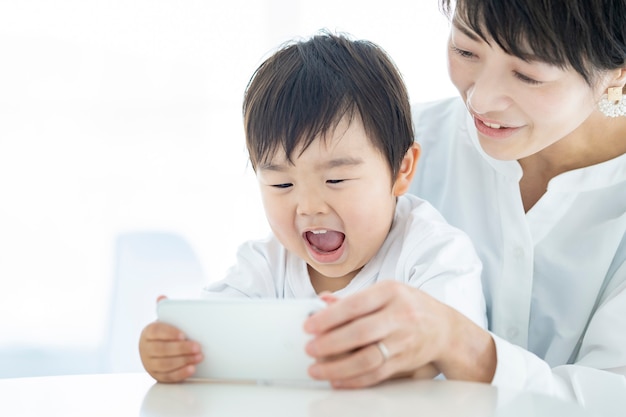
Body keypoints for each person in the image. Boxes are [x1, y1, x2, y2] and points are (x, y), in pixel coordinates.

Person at [302, 0, 626, 413]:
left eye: (528, 75)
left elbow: (612, 399)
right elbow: (281, 293)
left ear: (618, 74)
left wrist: (463, 346)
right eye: (465, 50)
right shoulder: (389, 153)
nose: (482, 99)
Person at [138, 32, 487, 383]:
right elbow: (212, 336)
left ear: (401, 169)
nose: (309, 207)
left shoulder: (434, 253)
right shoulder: (265, 265)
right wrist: (174, 350)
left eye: (335, 180)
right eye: (282, 185)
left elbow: (452, 352)